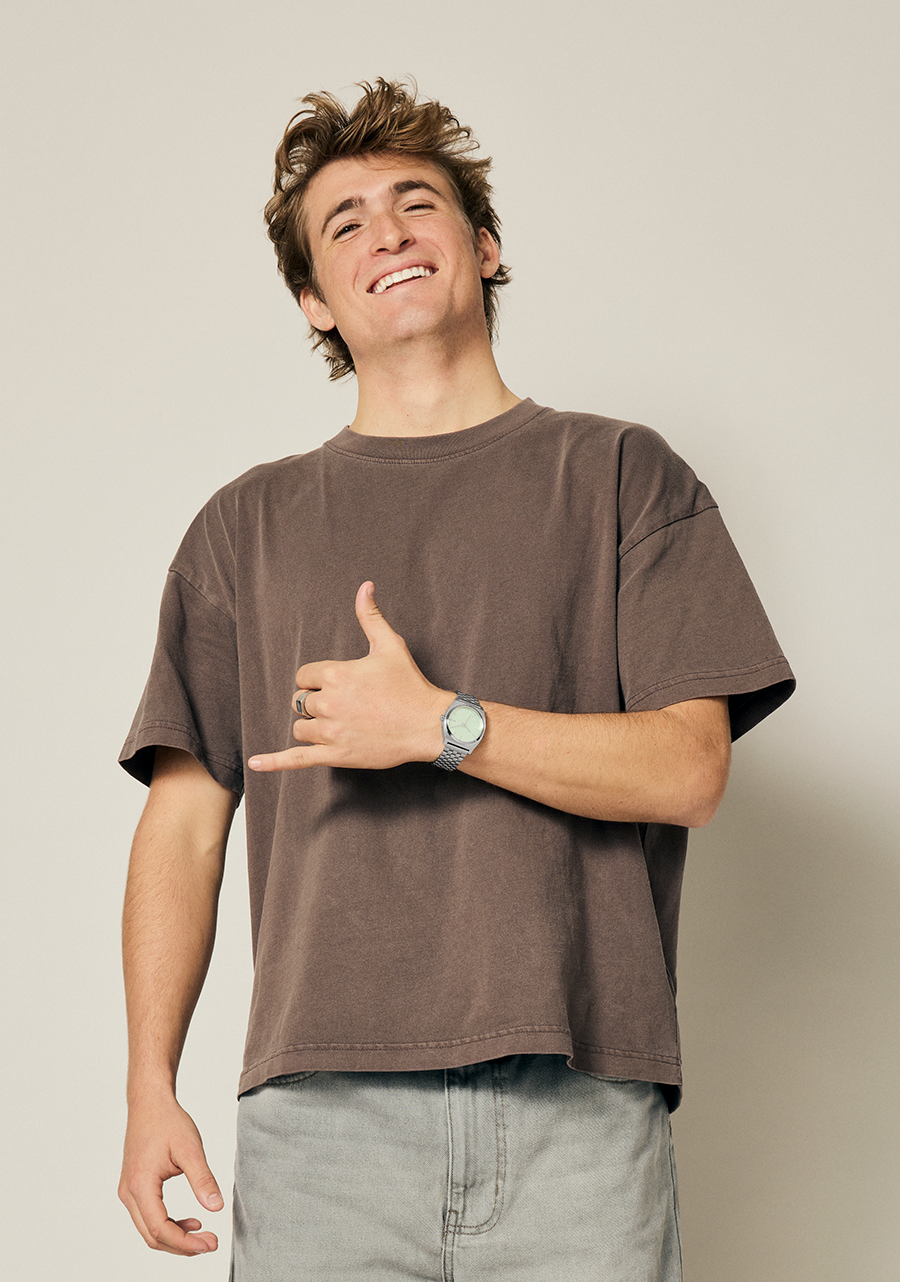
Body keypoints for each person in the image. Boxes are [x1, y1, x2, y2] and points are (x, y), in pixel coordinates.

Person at [117, 78, 794, 1280]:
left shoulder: (624, 476)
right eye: (346, 223)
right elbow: (183, 821)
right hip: (320, 1122)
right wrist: (148, 1084)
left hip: (579, 1109)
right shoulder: (243, 528)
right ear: (315, 302)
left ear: (482, 247)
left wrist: (442, 724)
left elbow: (691, 769)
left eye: (416, 202)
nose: (387, 231)